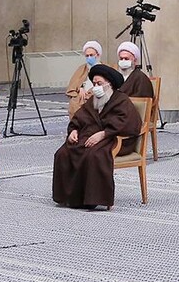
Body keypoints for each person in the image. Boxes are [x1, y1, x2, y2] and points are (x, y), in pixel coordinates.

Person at [52, 63, 142, 210]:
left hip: (114, 139)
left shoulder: (121, 100)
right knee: (63, 153)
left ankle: (93, 199)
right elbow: (79, 118)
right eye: (94, 84)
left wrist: (103, 134)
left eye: (99, 83)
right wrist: (74, 130)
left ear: (109, 84)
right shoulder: (93, 100)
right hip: (89, 136)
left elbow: (129, 123)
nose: (96, 87)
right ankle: (70, 197)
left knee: (94, 155)